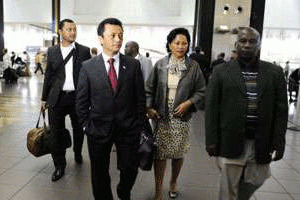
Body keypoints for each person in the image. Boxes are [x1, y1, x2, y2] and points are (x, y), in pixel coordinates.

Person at [205, 27, 288, 200]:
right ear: (236, 44)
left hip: (261, 140)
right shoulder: (222, 71)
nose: (247, 45)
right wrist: (211, 139)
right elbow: (212, 107)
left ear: (259, 44)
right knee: (228, 188)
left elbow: (281, 111)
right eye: (243, 41)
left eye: (252, 41)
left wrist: (279, 141)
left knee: (258, 179)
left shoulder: (274, 72)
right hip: (230, 138)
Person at [76, 18, 147, 200]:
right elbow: (82, 101)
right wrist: (86, 125)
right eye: (113, 35)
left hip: (128, 128)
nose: (118, 39)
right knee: (99, 173)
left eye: (120, 35)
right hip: (98, 129)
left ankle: (124, 190)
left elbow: (140, 99)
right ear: (101, 38)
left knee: (130, 169)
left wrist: (138, 124)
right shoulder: (88, 67)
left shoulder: (132, 65)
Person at [146, 28, 206, 200]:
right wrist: (149, 108)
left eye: (184, 43)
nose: (181, 46)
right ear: (170, 44)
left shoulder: (193, 67)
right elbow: (149, 89)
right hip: (161, 115)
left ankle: (173, 182)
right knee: (160, 153)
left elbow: (202, 91)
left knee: (178, 152)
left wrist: (188, 103)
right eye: (177, 43)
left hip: (182, 116)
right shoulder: (160, 64)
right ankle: (158, 189)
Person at [40, 19, 91, 182]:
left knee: (79, 129)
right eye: (69, 29)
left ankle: (77, 151)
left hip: (78, 98)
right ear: (60, 31)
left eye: (75, 29)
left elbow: (88, 76)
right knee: (56, 133)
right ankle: (59, 166)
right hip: (57, 98)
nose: (73, 32)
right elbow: (49, 75)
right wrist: (43, 98)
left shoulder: (84, 51)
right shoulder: (53, 51)